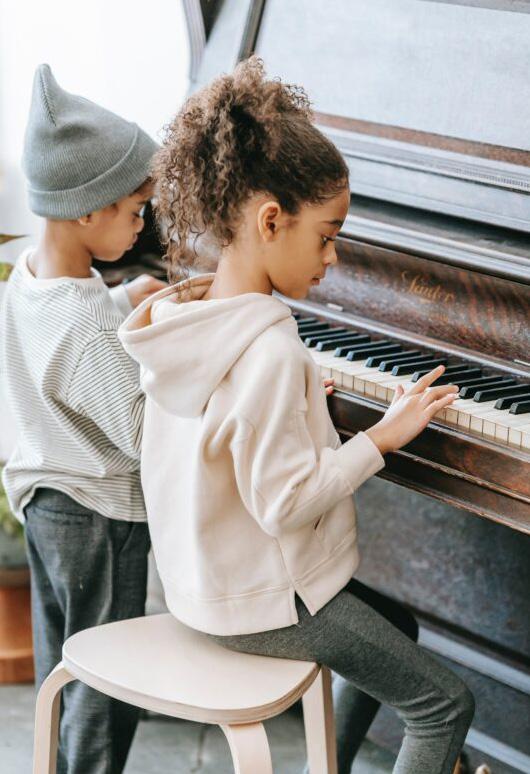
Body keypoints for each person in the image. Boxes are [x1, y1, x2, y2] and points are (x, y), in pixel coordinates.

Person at [119, 57, 474, 773]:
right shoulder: (270, 351)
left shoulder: (187, 317)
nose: (335, 256)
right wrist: (381, 436)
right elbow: (284, 504)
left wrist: (309, 411)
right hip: (263, 603)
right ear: (270, 220)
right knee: (445, 704)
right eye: (327, 235)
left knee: (397, 625)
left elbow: (235, 433)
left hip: (204, 581)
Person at [1, 64, 166, 773]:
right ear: (86, 209)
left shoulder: (34, 277)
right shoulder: (79, 322)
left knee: (63, 664)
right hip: (98, 511)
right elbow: (140, 430)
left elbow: (65, 355)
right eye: (134, 210)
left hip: (46, 498)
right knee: (109, 680)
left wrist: (129, 302)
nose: (141, 224)